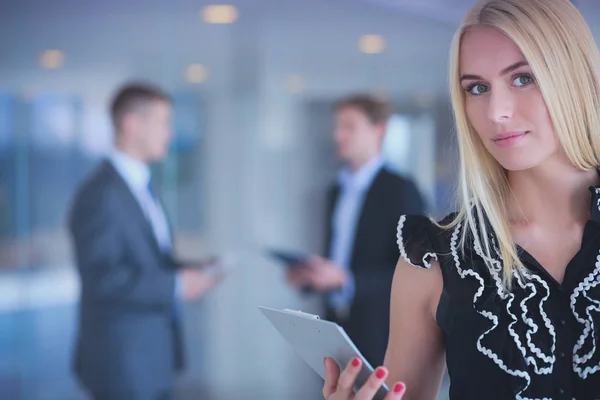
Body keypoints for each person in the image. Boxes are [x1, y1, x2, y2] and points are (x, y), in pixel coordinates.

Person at [322, 0, 600, 399]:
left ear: (575, 77)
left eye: (523, 79)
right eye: (477, 88)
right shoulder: (432, 259)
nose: (497, 112)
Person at [68, 83, 224, 400]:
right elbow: (103, 278)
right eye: (163, 122)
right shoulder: (101, 194)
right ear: (132, 124)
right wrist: (177, 286)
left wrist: (193, 271)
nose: (169, 134)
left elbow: (149, 260)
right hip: (122, 366)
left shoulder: (141, 185)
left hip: (151, 359)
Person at [287, 94, 426, 367]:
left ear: (379, 130)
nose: (338, 135)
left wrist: (348, 281)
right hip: (334, 327)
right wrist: (312, 276)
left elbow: (415, 273)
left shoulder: (401, 190)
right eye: (337, 127)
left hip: (381, 334)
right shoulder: (334, 191)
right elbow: (338, 258)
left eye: (349, 126)